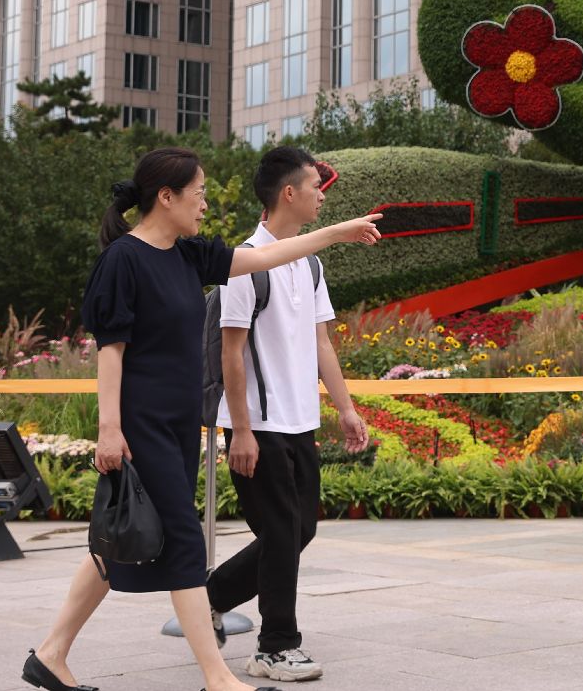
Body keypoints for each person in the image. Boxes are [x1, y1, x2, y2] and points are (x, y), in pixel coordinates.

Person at [22, 147, 380, 691]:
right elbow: (110, 351)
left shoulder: (189, 256)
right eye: (200, 193)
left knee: (117, 541)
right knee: (185, 541)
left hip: (178, 422)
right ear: (166, 197)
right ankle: (218, 677)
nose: (206, 204)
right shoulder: (123, 260)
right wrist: (109, 429)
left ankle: (51, 654)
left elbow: (266, 256)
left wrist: (337, 234)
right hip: (142, 425)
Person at [206, 147, 369, 683]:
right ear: (289, 193)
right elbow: (231, 354)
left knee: (300, 531)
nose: (322, 195)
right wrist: (241, 430)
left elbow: (321, 342)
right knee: (280, 534)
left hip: (301, 422)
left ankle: (210, 596)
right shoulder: (243, 265)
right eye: (315, 186)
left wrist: (345, 408)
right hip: (258, 425)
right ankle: (275, 647)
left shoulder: (310, 263)